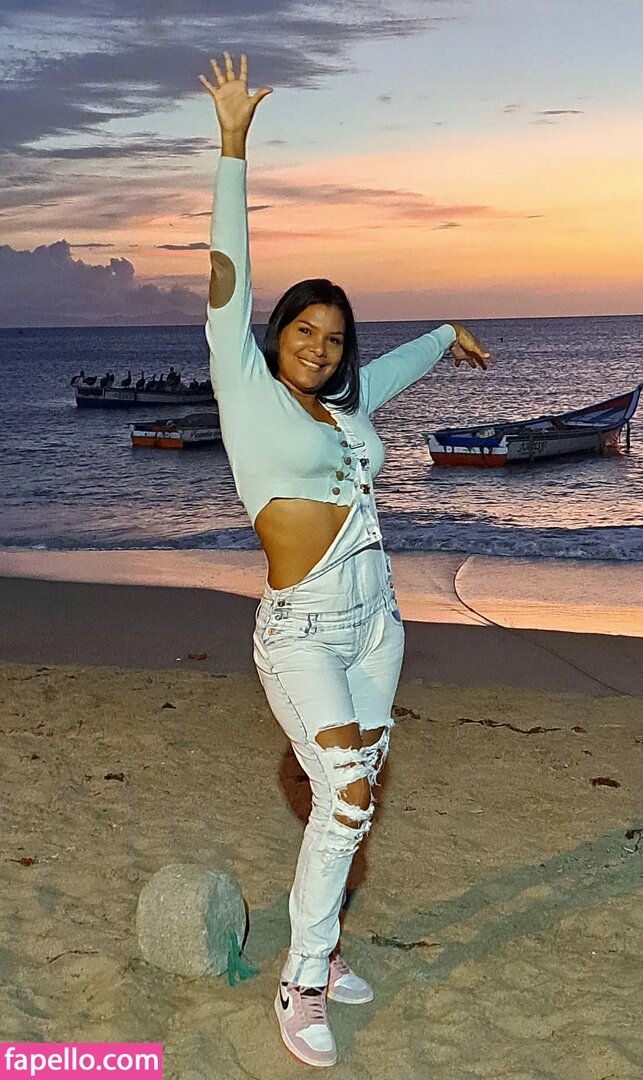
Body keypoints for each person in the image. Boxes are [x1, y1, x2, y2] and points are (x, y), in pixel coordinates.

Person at [199, 53, 490, 1069]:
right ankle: (302, 977)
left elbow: (388, 376)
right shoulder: (248, 393)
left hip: (377, 624)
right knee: (349, 794)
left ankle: (321, 947)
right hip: (304, 632)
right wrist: (233, 146)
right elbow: (226, 280)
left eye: (334, 338)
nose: (320, 347)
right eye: (304, 330)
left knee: (353, 795)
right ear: (276, 333)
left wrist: (443, 334)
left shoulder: (341, 406)